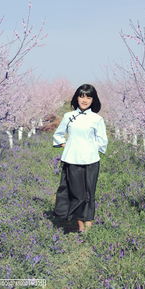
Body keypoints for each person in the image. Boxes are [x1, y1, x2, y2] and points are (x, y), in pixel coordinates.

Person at [52, 84, 108, 233]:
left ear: (93, 100)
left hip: (91, 160)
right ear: (76, 98)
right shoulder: (68, 116)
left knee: (90, 192)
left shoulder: (97, 119)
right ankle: (79, 224)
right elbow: (58, 135)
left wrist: (89, 147)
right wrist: (67, 145)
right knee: (77, 193)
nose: (84, 100)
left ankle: (88, 224)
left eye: (88, 97)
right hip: (72, 159)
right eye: (82, 96)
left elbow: (102, 140)